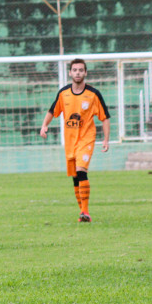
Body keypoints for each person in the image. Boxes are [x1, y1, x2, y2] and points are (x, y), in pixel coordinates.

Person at [39, 58, 110, 222]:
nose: (78, 73)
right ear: (70, 73)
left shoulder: (93, 94)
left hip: (86, 139)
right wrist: (44, 126)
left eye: (81, 70)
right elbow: (52, 111)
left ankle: (85, 211)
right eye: (75, 70)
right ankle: (82, 213)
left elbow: (105, 118)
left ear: (85, 73)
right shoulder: (63, 93)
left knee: (81, 171)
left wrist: (106, 140)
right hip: (70, 141)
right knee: (75, 177)